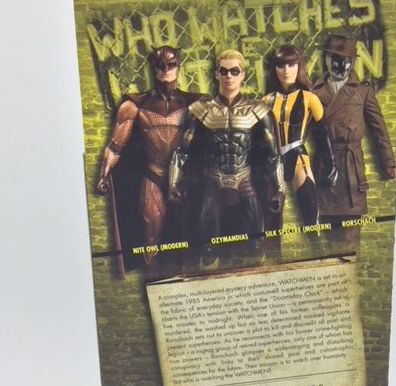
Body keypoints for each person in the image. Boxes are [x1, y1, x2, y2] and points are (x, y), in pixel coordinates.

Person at [169, 49, 284, 269]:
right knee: (208, 249)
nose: (229, 76)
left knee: (256, 245)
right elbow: (183, 151)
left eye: (234, 71)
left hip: (244, 177)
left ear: (243, 75)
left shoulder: (258, 110)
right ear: (216, 74)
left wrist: (279, 188)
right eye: (224, 71)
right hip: (214, 178)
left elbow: (272, 155)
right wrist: (172, 184)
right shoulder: (201, 110)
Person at [95, 46, 201, 276]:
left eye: (171, 64)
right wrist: (103, 174)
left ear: (178, 67)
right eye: (160, 65)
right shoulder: (135, 105)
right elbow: (115, 146)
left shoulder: (195, 103)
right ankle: (154, 285)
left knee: (189, 242)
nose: (166, 69)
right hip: (154, 176)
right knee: (150, 242)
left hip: (184, 178)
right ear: (153, 68)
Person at [312, 34, 396, 254]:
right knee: (327, 236)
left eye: (347, 61)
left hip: (351, 167)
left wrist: (388, 162)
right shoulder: (313, 92)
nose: (342, 66)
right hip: (325, 166)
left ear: (353, 62)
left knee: (350, 237)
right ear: (327, 59)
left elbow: (379, 129)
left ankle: (349, 271)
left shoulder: (362, 91)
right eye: (337, 59)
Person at [264, 45, 337, 229]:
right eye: (281, 65)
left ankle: (317, 244)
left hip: (298, 157)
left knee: (310, 214)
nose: (286, 70)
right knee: (271, 221)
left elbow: (323, 135)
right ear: (274, 69)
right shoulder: (266, 101)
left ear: (299, 66)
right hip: (274, 162)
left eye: (291, 64)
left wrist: (330, 167)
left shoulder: (309, 98)